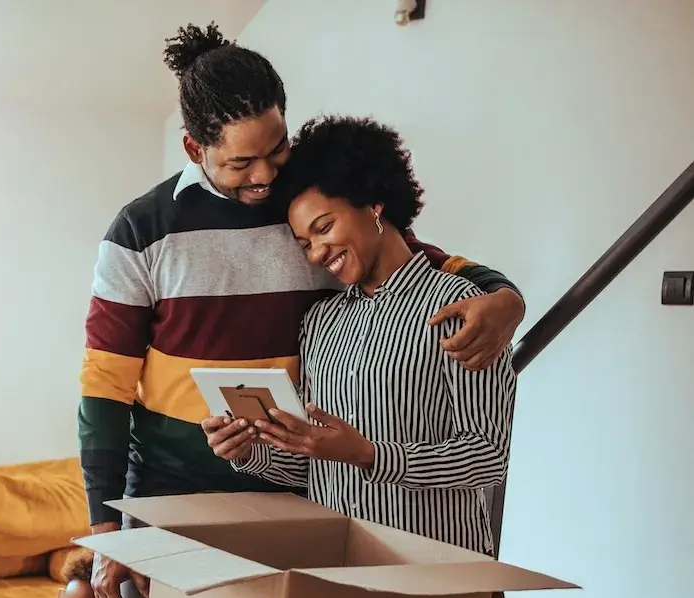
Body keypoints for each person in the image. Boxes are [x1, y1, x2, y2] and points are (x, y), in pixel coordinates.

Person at [80, 23, 527, 598]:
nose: (263, 178)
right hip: (185, 508)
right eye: (242, 163)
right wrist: (107, 531)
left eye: (275, 152)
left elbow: (431, 266)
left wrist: (506, 296)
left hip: (319, 532)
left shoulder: (322, 222)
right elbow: (102, 394)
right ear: (193, 149)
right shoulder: (142, 232)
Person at [203, 115, 515, 554]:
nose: (317, 252)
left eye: (324, 227)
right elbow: (316, 465)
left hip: (435, 569)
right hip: (336, 566)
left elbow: (486, 457)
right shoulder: (321, 322)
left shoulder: (460, 306)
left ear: (373, 203)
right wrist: (248, 452)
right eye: (304, 244)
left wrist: (370, 455)